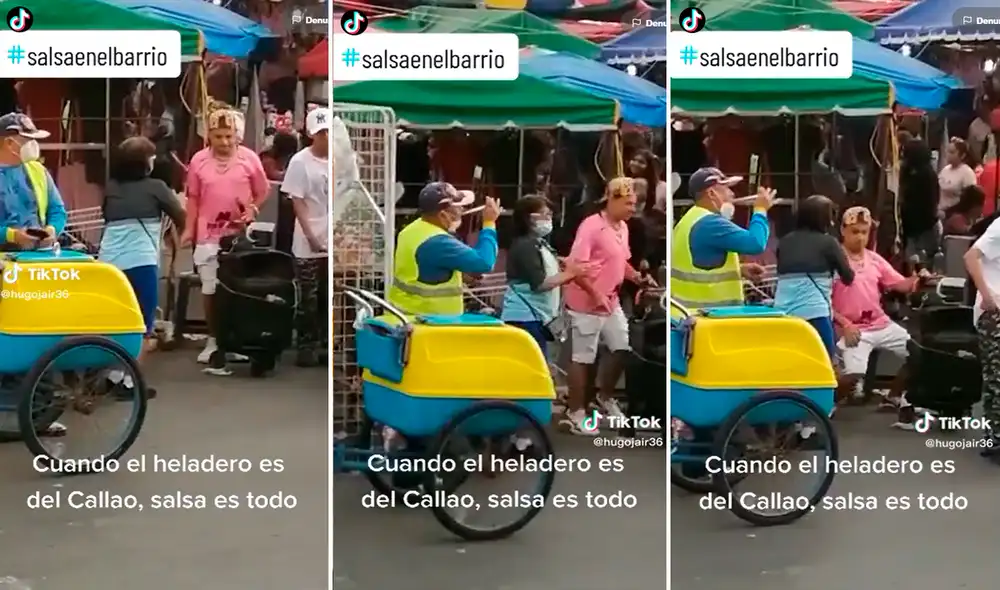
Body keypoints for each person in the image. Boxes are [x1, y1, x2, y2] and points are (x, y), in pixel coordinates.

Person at [562, 177, 656, 435]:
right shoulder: (591, 227)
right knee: (583, 356)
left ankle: (604, 397)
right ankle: (576, 411)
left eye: (634, 204)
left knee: (622, 346)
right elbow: (574, 267)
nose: (632, 209)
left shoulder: (622, 227)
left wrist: (635, 276)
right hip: (585, 303)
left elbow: (620, 261)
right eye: (627, 203)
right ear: (611, 199)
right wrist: (594, 293)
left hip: (611, 301)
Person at [181, 108, 270, 375]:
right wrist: (188, 229)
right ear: (209, 135)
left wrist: (252, 209)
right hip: (208, 234)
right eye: (218, 136)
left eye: (229, 136)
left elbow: (262, 190)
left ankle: (237, 339)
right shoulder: (198, 161)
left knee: (237, 289)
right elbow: (193, 198)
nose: (224, 142)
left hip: (239, 237)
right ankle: (214, 339)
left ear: (237, 136)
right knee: (210, 289)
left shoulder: (249, 159)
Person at [101, 136, 186, 396]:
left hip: (108, 264)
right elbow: (180, 216)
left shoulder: (111, 187)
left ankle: (111, 374)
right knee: (143, 326)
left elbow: (107, 214)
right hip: (141, 263)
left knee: (115, 324)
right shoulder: (157, 187)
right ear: (145, 163)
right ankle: (128, 382)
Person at [832, 206, 927, 424]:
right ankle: (822, 405)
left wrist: (919, 278)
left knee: (919, 354)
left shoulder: (874, 259)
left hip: (880, 323)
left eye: (864, 232)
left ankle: (893, 395)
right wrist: (845, 325)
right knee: (854, 374)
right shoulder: (834, 260)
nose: (860, 237)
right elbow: (823, 301)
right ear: (843, 231)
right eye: (855, 231)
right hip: (853, 329)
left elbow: (901, 285)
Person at [386, 182, 499, 316]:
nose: (461, 211)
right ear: (443, 214)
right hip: (431, 322)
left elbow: (423, 269)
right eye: (457, 208)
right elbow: (484, 263)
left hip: (405, 316)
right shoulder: (438, 241)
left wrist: (459, 275)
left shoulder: (412, 230)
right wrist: (489, 224)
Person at [671, 167, 775, 310]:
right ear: (712, 193)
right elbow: (756, 243)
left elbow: (700, 264)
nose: (732, 194)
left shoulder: (690, 219)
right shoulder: (711, 223)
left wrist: (739, 270)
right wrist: (760, 210)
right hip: (711, 316)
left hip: (689, 316)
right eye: (726, 188)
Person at [501, 195, 585, 356]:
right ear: (529, 218)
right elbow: (540, 284)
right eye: (544, 214)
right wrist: (572, 273)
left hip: (537, 316)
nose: (548, 219)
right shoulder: (525, 246)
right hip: (525, 317)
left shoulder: (538, 243)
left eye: (550, 215)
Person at [774, 195, 854, 359]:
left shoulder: (785, 241)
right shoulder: (828, 243)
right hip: (814, 313)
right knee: (823, 361)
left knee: (789, 360)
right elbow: (848, 277)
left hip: (783, 312)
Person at [281, 108, 329, 367]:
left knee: (328, 294)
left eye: (328, 132)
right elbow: (297, 201)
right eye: (321, 132)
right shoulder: (300, 162)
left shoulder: (340, 159)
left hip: (333, 236)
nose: (325, 137)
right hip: (307, 239)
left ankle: (325, 343)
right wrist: (310, 235)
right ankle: (306, 344)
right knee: (308, 296)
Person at [0, 113, 67, 251]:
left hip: (36, 257)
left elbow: (57, 210)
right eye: (28, 140)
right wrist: (11, 235)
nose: (33, 145)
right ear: (9, 143)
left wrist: (52, 229)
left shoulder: (37, 170)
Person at [962, 215, 1000, 455]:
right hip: (994, 311)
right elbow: (971, 256)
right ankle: (995, 436)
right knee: (997, 376)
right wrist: (987, 295)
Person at [900, 139, 941, 265]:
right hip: (915, 225)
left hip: (922, 226)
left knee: (920, 261)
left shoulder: (925, 175)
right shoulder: (910, 171)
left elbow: (927, 202)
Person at [939, 138, 978, 215]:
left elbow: (970, 199)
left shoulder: (967, 172)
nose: (948, 155)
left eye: (952, 152)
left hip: (956, 213)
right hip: (941, 211)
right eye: (948, 151)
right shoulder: (945, 170)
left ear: (962, 155)